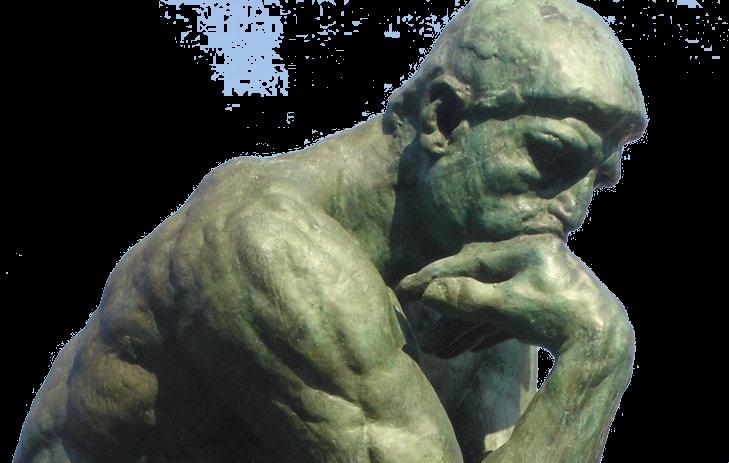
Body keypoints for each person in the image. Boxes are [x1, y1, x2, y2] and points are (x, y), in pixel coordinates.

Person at [15, 0, 647, 461]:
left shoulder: (482, 263)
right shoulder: (263, 241)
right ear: (444, 118)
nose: (572, 211)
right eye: (551, 157)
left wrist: (591, 356)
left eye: (598, 182)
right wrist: (597, 355)